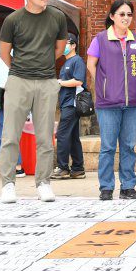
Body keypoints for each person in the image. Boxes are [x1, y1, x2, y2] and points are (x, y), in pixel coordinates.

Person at [0, 0, 68, 204]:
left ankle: (43, 183)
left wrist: (42, 65)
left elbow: (59, 49)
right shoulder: (13, 20)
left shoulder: (57, 17)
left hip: (47, 80)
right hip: (18, 80)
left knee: (46, 136)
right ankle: (8, 184)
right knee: (10, 134)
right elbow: (4, 53)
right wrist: (22, 69)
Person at [87, 0, 136, 201]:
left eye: (129, 14)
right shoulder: (101, 39)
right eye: (122, 14)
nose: (126, 18)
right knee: (108, 146)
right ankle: (106, 187)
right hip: (108, 103)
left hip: (133, 102)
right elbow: (91, 64)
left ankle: (128, 186)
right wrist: (103, 85)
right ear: (112, 16)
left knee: (128, 145)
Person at [51, 33, 86, 179]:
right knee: (72, 136)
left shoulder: (77, 61)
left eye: (66, 43)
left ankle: (62, 167)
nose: (63, 46)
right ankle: (78, 168)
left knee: (62, 134)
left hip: (72, 104)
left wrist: (60, 82)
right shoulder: (66, 62)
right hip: (67, 103)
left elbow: (79, 81)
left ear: (73, 45)